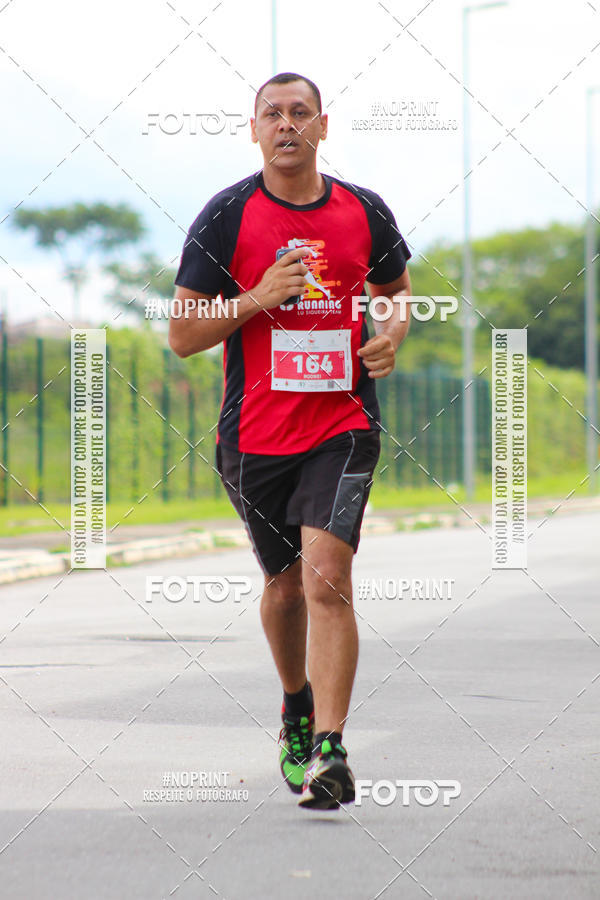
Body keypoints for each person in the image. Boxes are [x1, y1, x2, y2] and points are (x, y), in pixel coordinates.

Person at [169, 72, 412, 810]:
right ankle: (296, 703)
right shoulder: (225, 217)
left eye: (299, 113)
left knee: (326, 577)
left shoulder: (364, 210)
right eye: (271, 114)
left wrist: (389, 335)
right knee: (283, 589)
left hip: (341, 427)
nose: (286, 125)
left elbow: (395, 296)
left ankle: (332, 751)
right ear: (254, 130)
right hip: (255, 436)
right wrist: (255, 299)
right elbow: (182, 335)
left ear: (323, 127)